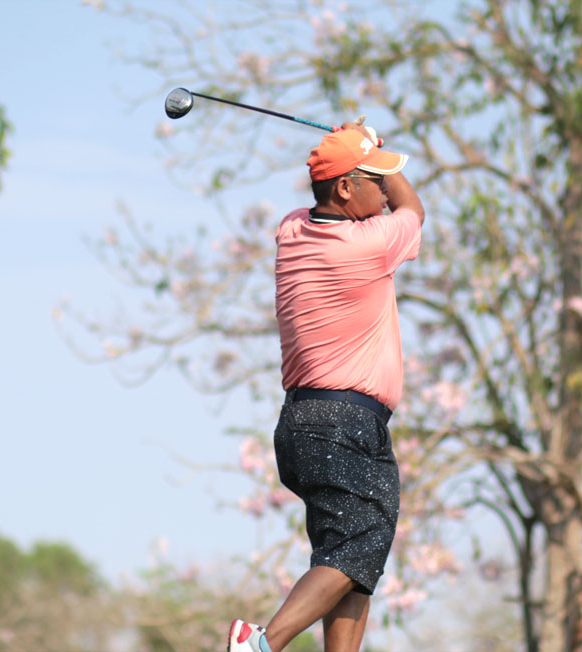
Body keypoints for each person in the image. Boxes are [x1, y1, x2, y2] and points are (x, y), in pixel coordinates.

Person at [227, 123, 425, 652]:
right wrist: (376, 150)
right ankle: (259, 643)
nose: (383, 191)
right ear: (343, 188)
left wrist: (364, 151)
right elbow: (413, 209)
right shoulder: (368, 244)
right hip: (345, 424)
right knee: (360, 543)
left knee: (350, 561)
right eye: (374, 181)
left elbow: (364, 197)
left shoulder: (292, 229)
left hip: (303, 426)